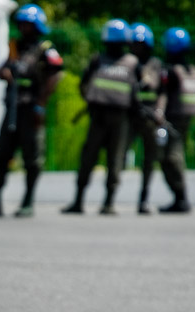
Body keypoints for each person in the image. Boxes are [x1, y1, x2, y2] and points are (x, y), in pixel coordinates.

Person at [0, 4, 63, 218]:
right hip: (12, 108)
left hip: (31, 110)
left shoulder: (45, 49)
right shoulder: (15, 47)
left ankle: (28, 202)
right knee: (1, 155)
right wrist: (5, 72)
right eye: (21, 24)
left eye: (28, 24)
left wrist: (40, 104)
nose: (23, 28)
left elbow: (55, 77)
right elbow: (1, 69)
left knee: (32, 159)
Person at [61, 19, 138, 216]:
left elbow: (137, 93)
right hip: (98, 116)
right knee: (88, 158)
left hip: (120, 119)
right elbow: (84, 83)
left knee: (115, 161)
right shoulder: (98, 59)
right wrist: (90, 100)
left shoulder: (132, 63)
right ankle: (78, 201)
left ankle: (109, 203)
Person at [155, 27, 195, 213]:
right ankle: (179, 198)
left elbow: (164, 94)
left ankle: (181, 198)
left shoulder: (171, 70)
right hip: (186, 118)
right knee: (172, 157)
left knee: (172, 158)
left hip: (174, 119)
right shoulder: (192, 71)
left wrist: (159, 112)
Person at [127, 23, 162, 215]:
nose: (136, 47)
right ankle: (110, 199)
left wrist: (159, 111)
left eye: (140, 44)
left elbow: (162, 91)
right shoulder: (128, 63)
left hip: (150, 118)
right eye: (133, 44)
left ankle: (144, 200)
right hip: (130, 116)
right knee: (118, 156)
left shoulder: (156, 65)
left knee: (149, 160)